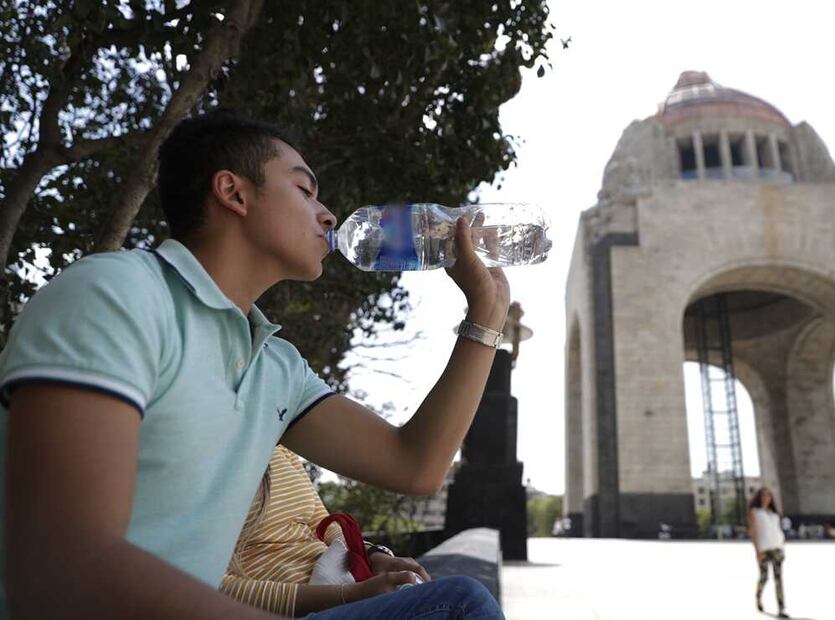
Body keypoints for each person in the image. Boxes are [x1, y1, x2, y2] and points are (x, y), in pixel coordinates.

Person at [1, 110, 509, 619]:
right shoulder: (116, 294)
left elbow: (415, 464)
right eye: (304, 191)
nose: (328, 214)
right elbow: (61, 565)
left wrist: (484, 319)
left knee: (452, 603)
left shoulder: (274, 366)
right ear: (234, 193)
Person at [220, 445, 432, 616]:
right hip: (295, 607)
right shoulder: (200, 455)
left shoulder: (279, 446)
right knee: (458, 598)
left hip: (348, 587)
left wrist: (372, 555)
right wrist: (346, 596)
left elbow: (322, 524)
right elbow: (211, 586)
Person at [747, 488, 789, 618]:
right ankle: (758, 597)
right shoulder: (754, 512)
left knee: (778, 579)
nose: (766, 498)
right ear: (759, 498)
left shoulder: (774, 514)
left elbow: (777, 530)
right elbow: (753, 532)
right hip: (764, 549)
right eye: (764, 496)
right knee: (764, 577)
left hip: (777, 548)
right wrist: (757, 551)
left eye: (768, 496)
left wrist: (782, 546)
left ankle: (781, 608)